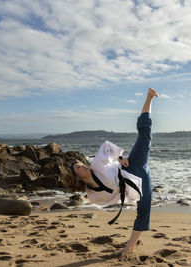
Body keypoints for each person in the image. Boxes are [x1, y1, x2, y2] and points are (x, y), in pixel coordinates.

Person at [62, 87, 159, 253]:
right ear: (76, 176)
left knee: (145, 135)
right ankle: (129, 247)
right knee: (144, 212)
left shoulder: (97, 165)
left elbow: (106, 146)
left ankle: (149, 97)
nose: (83, 165)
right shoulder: (92, 196)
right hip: (137, 187)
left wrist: (120, 158)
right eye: (78, 167)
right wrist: (127, 196)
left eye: (81, 163)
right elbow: (113, 199)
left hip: (132, 166)